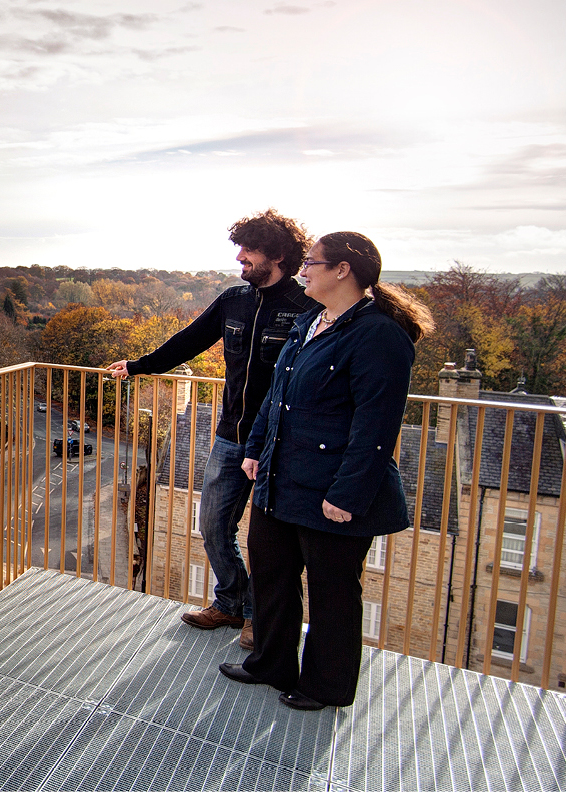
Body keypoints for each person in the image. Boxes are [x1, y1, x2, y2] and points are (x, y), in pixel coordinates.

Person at [219, 231, 433, 711]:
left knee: (333, 592)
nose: (303, 271)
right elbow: (277, 393)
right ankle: (270, 664)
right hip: (280, 477)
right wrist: (254, 449)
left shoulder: (379, 336)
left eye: (312, 263)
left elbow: (375, 426)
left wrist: (348, 496)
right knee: (271, 573)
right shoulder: (314, 320)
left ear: (343, 270)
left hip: (333, 490)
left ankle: (326, 685)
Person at [108, 209, 316, 649]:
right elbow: (188, 340)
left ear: (276, 254)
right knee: (213, 524)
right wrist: (138, 366)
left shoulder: (307, 308)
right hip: (230, 438)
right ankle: (230, 602)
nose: (240, 258)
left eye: (248, 251)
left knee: (270, 543)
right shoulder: (232, 300)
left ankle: (261, 620)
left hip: (281, 445)